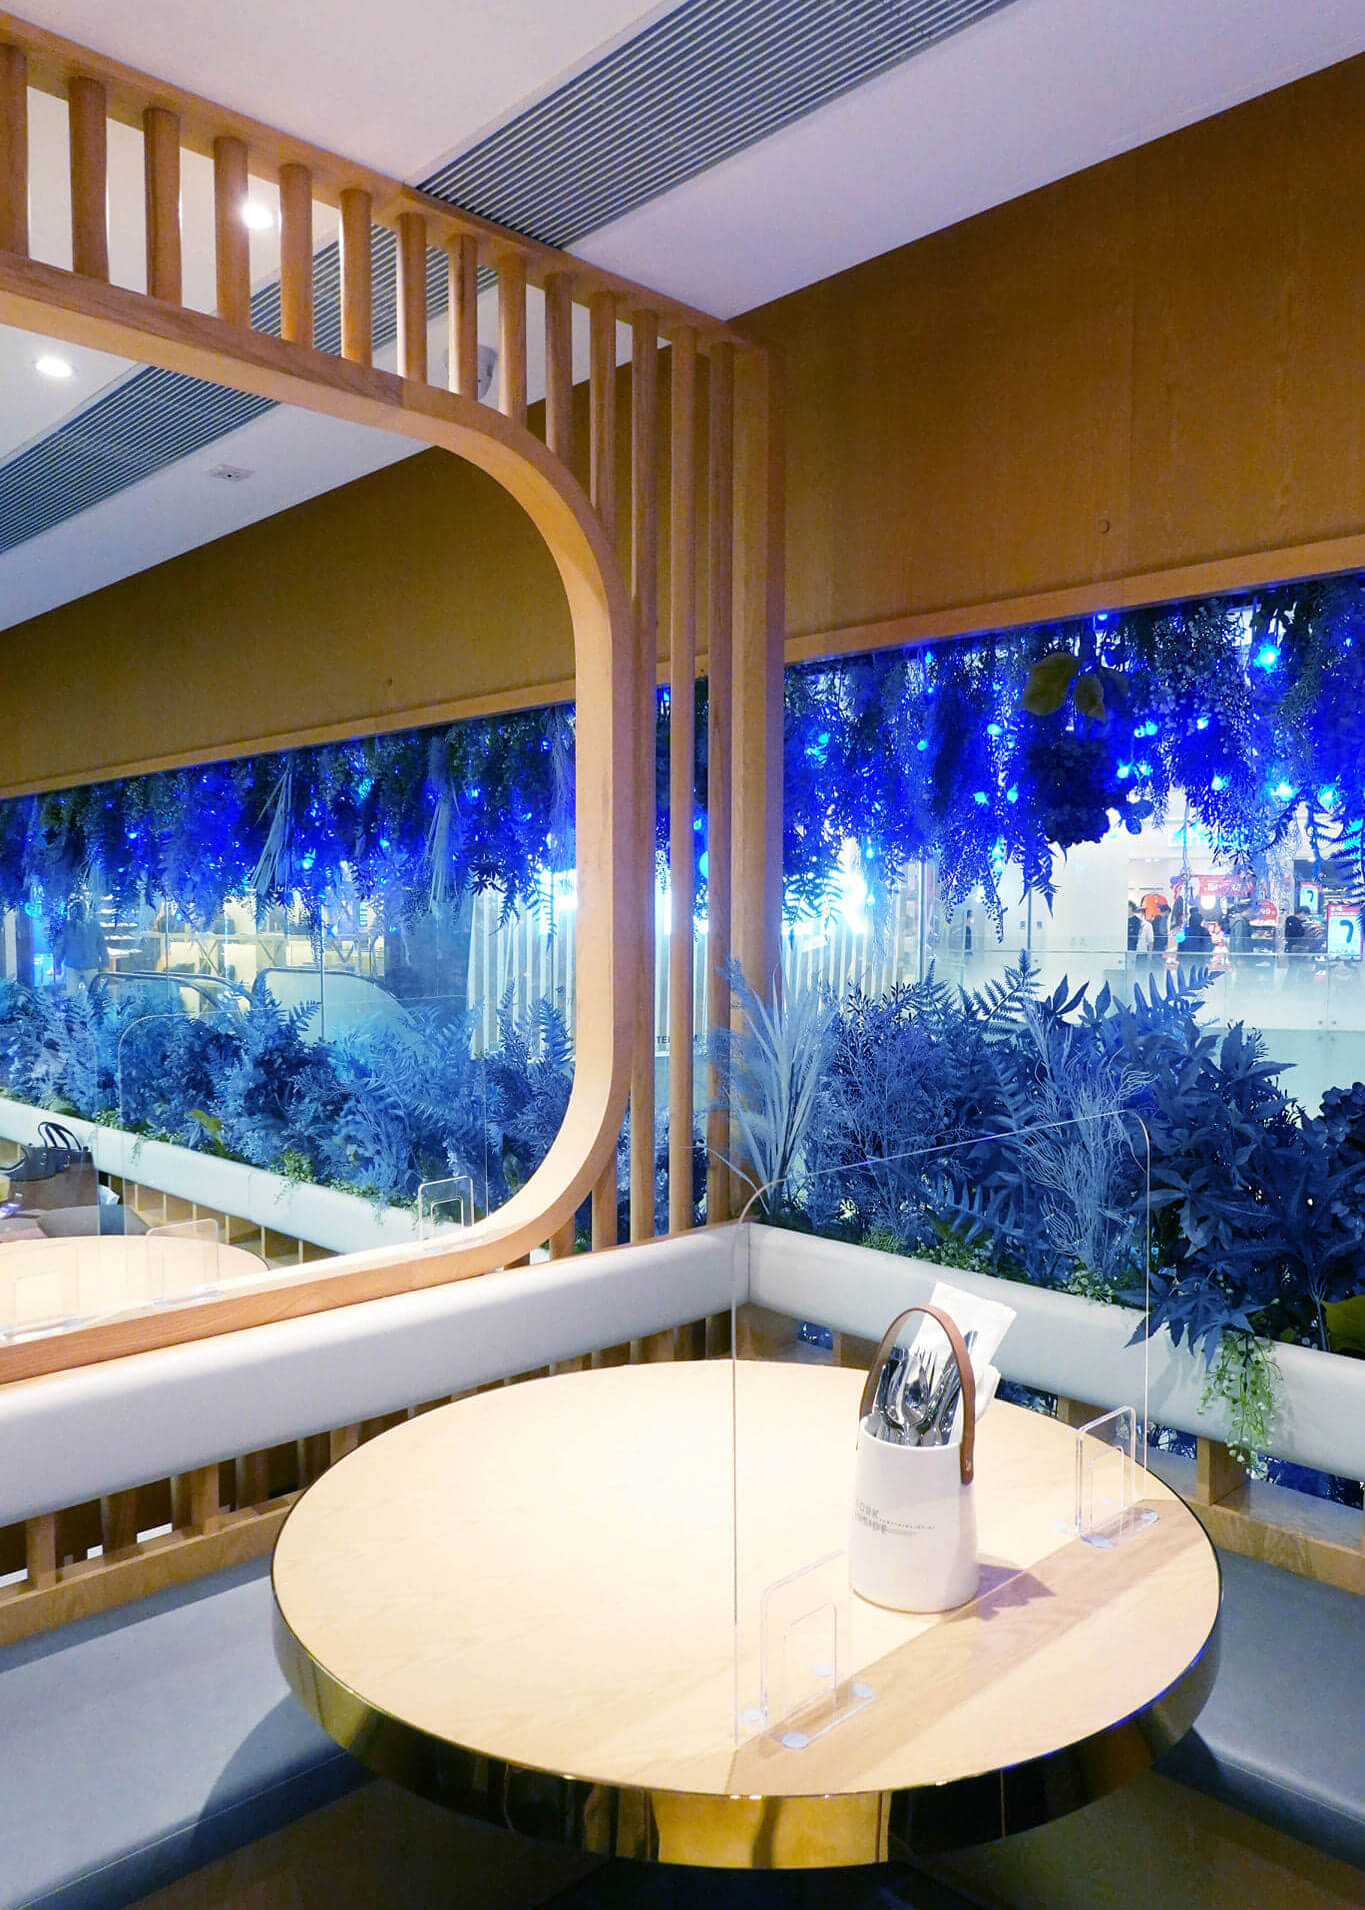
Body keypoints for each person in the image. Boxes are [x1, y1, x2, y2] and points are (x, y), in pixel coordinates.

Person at [53, 898, 108, 994]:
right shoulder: (92, 924)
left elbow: (60, 947)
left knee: (74, 996)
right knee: (91, 995)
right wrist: (105, 964)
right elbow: (102, 946)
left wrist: (57, 964)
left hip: (78, 965)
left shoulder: (68, 925)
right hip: (83, 965)